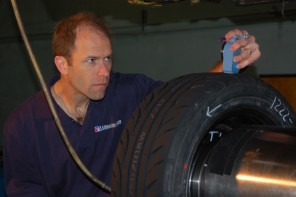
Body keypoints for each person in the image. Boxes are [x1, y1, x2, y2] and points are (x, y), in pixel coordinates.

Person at [3, 11, 261, 196]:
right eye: (92, 61)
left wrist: (229, 64)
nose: (104, 71)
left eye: (108, 59)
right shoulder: (24, 126)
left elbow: (183, 100)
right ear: (62, 64)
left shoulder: (127, 91)